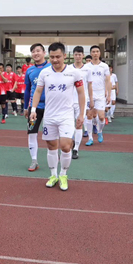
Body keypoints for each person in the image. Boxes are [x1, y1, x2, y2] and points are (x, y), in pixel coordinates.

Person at [29, 42, 85, 191]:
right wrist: (33, 109)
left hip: (66, 116)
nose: (55, 60)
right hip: (49, 116)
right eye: (52, 57)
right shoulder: (44, 73)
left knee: (66, 146)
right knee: (51, 145)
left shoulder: (74, 73)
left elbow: (81, 93)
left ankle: (63, 175)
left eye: (58, 56)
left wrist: (81, 114)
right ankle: (53, 175)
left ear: (65, 56)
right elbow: (38, 91)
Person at [24, 43, 51, 171]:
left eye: (38, 51)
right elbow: (27, 90)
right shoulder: (29, 70)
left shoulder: (51, 67)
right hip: (34, 108)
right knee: (32, 132)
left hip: (51, 107)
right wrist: (26, 107)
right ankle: (34, 160)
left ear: (44, 53)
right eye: (33, 51)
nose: (36, 53)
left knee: (51, 134)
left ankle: (53, 157)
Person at [85, 45, 111, 146]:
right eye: (93, 52)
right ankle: (90, 138)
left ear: (100, 53)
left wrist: (108, 94)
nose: (95, 53)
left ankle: (99, 131)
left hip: (100, 94)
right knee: (89, 115)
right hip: (89, 94)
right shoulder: (87, 66)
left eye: (97, 51)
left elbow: (108, 81)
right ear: (91, 53)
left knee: (101, 117)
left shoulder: (104, 66)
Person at [70, 47, 93, 160]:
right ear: (73, 55)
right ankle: (69, 144)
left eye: (80, 54)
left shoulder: (88, 69)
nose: (78, 56)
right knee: (69, 125)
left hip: (82, 102)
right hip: (69, 101)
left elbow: (90, 85)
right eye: (76, 54)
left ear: (83, 55)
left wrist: (91, 99)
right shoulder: (68, 68)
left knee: (79, 124)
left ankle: (76, 149)